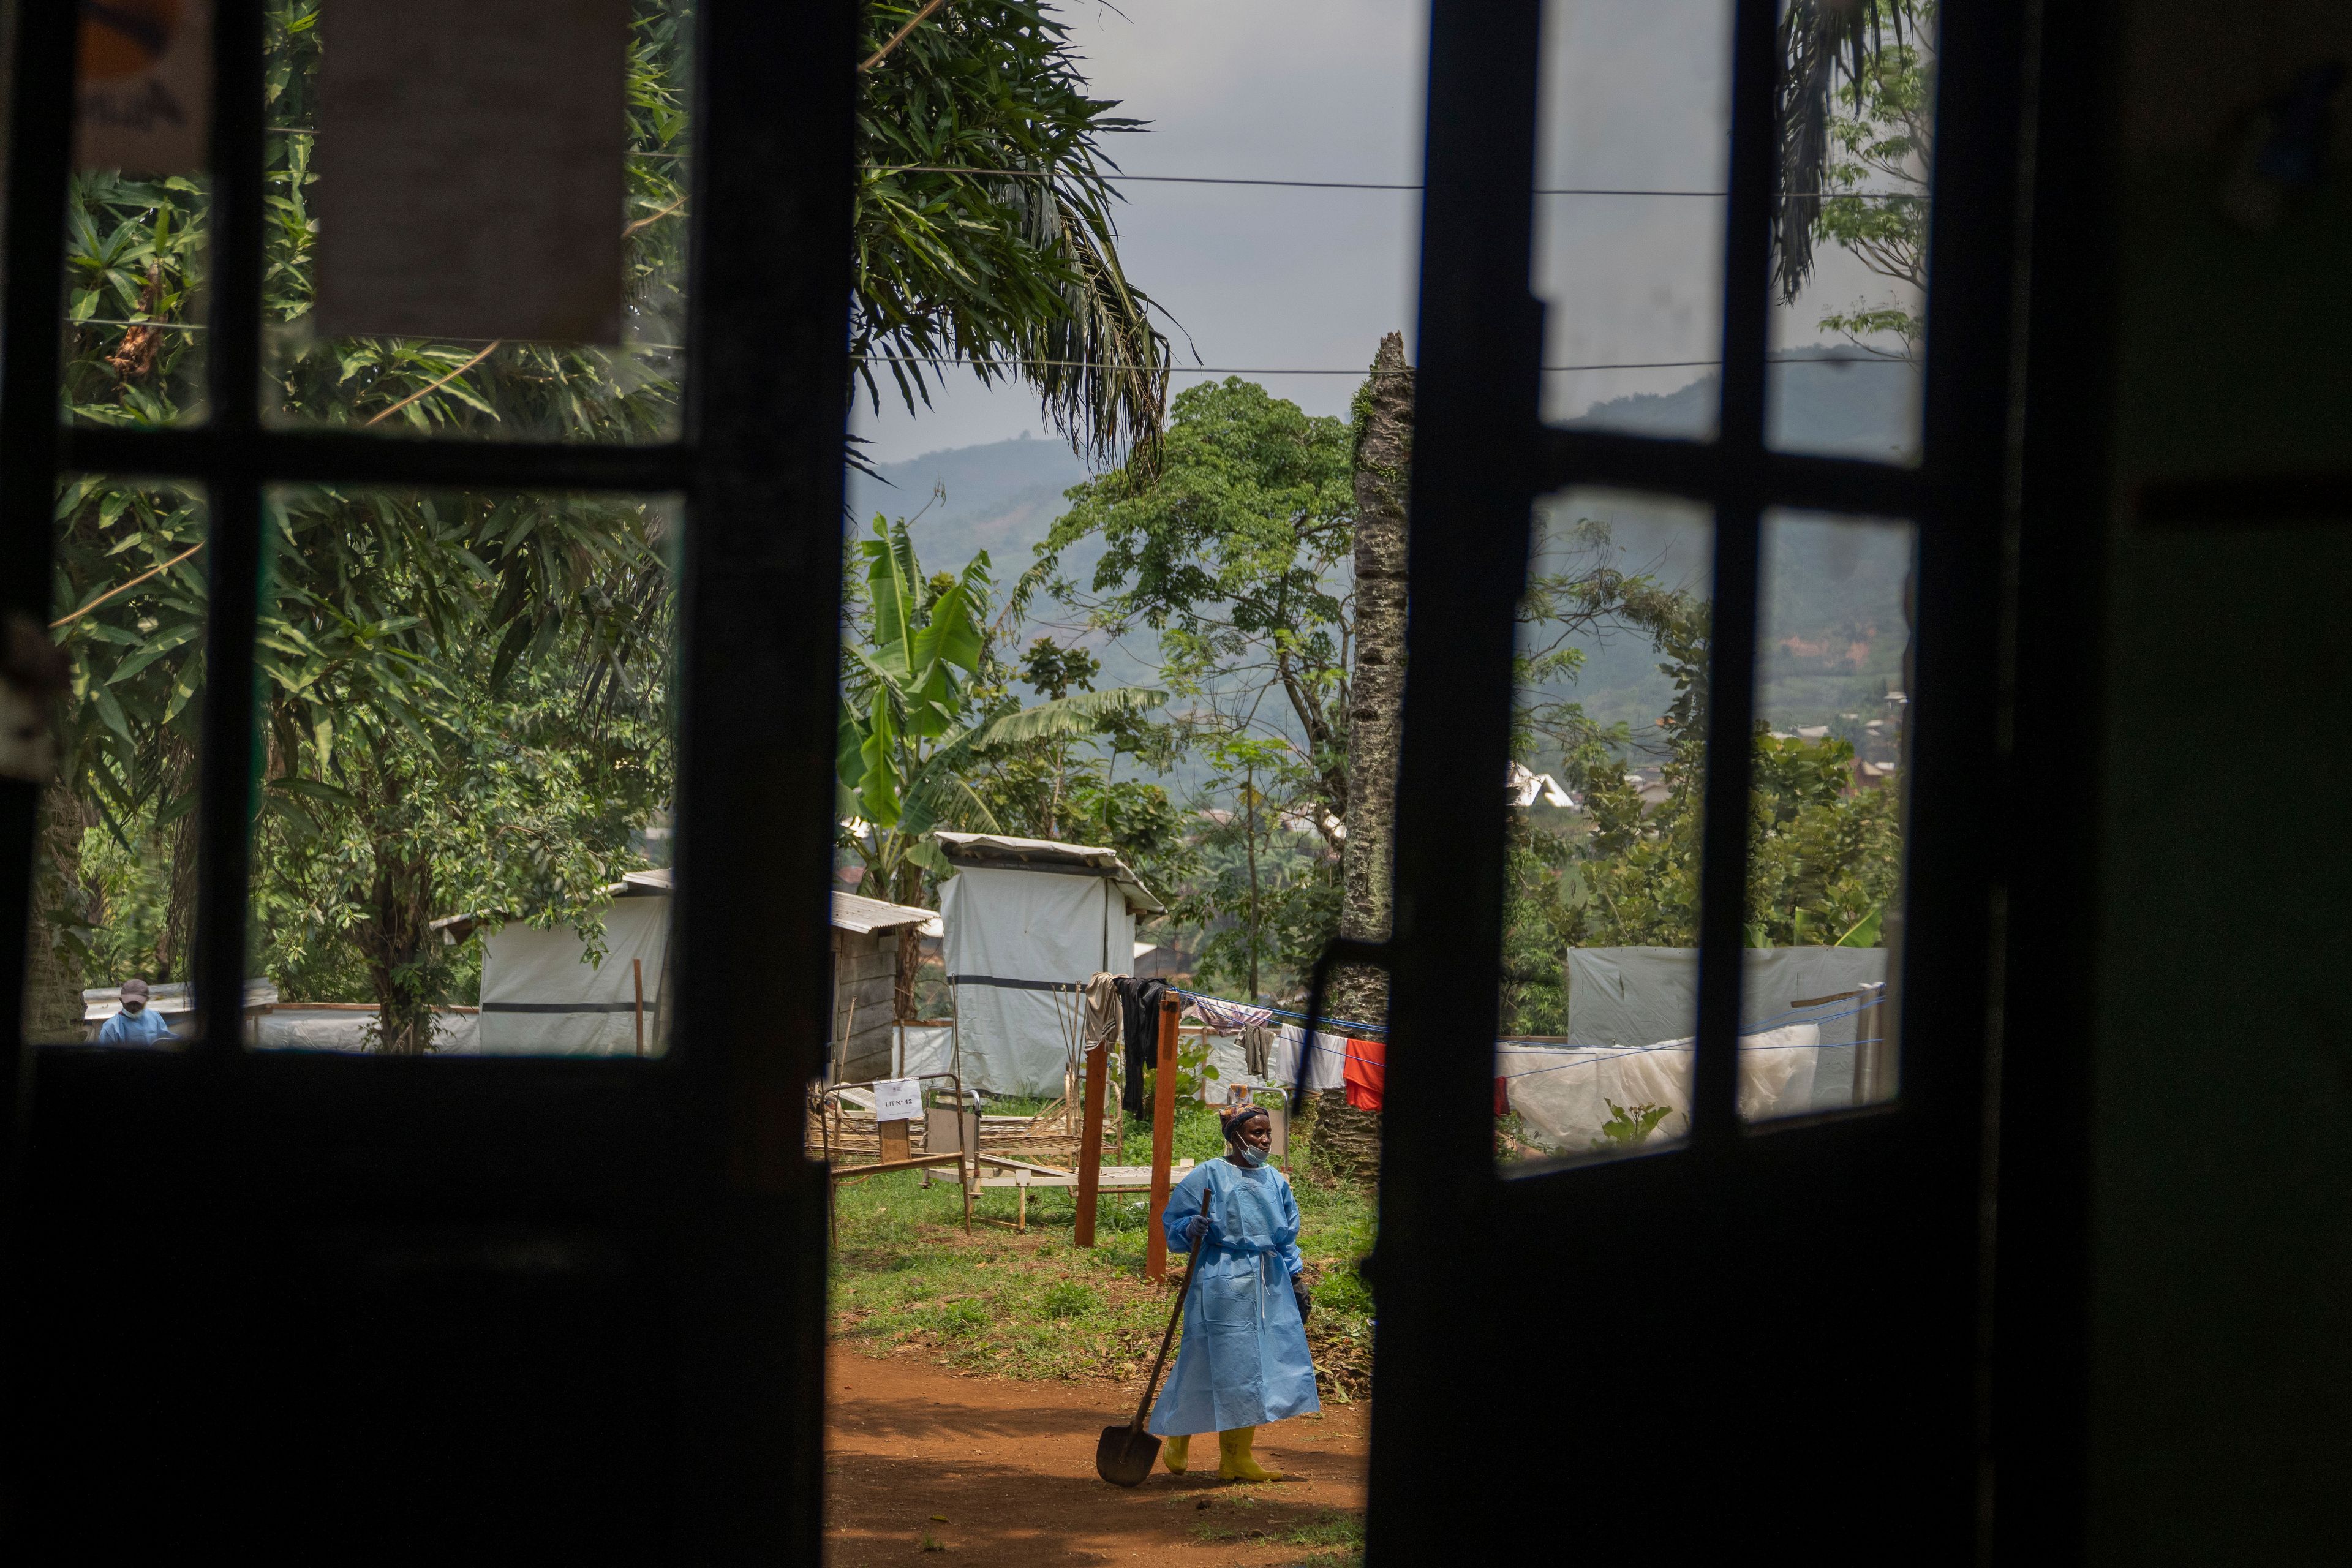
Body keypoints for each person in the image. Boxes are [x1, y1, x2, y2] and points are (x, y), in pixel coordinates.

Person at [1148, 1102, 1318, 1482]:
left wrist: (1295, 1277)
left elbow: (1287, 1237)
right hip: (1221, 1278)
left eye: (1268, 1132)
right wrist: (1189, 1227)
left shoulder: (1276, 1180)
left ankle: (1236, 1457)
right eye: (1257, 1132)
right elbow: (1173, 1224)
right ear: (1235, 1136)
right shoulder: (1208, 1175)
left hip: (1267, 1280)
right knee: (1206, 1359)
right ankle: (1179, 1435)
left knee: (1257, 1366)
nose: (1264, 1140)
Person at [97, 977, 175, 1048]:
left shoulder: (155, 1017)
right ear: (121, 1001)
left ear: (146, 1000)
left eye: (138, 1003)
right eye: (130, 1003)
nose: (133, 1007)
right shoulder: (111, 1027)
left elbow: (167, 1041)